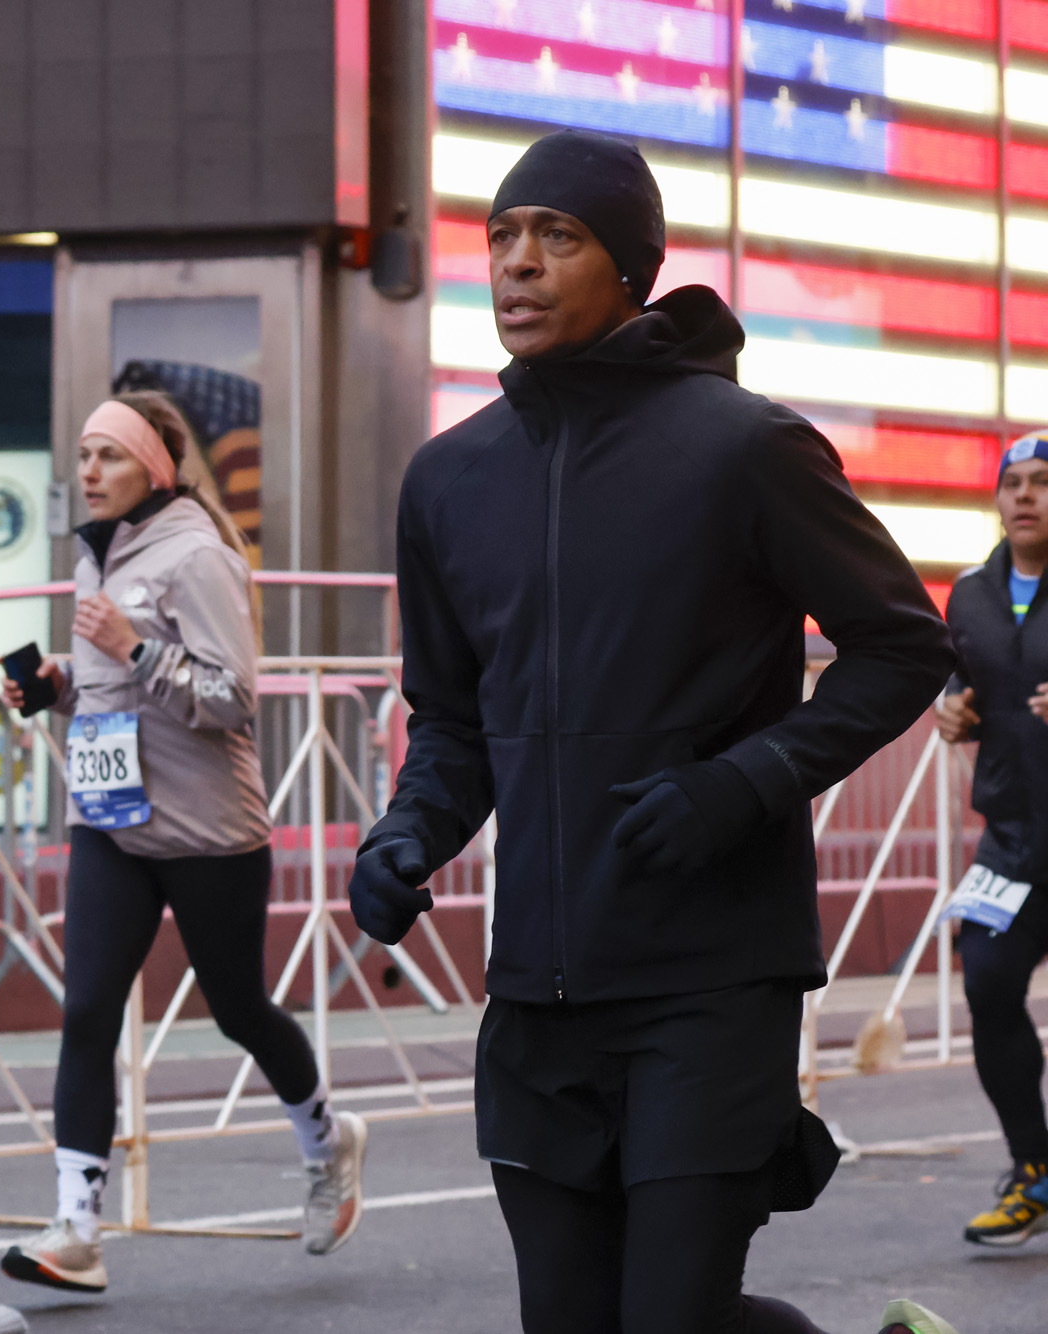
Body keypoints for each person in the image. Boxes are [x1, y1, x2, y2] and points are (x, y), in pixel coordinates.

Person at [344, 129, 958, 1334]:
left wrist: (742, 782)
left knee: (671, 1318)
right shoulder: (446, 480)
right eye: (501, 236)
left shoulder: (744, 448)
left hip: (708, 977)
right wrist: (407, 831)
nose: (516, 264)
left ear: (630, 266)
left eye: (555, 236)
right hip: (535, 988)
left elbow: (902, 645)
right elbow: (456, 717)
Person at [0, 391, 367, 1294]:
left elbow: (234, 697)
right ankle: (77, 1231)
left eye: (108, 457)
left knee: (239, 1009)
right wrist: (58, 686)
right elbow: (114, 690)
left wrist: (129, 652)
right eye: (82, 455)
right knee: (87, 1012)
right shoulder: (100, 556)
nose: (88, 472)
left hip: (208, 833)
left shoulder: (198, 554)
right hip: (111, 823)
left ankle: (329, 1141)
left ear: (153, 469)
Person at [936, 432, 1048, 1247]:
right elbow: (961, 677)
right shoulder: (972, 592)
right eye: (1014, 483)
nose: (1027, 497)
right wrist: (951, 709)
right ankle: (1032, 1172)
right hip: (1012, 837)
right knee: (986, 980)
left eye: (1043, 483)